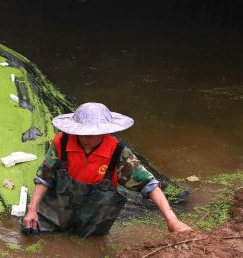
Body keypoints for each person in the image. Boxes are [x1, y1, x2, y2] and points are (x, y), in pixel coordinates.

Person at [23, 102, 192, 238]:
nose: (85, 138)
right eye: (82, 133)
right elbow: (45, 177)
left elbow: (149, 185)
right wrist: (32, 209)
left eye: (92, 134)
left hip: (92, 224)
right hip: (54, 213)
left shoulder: (118, 153)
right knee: (29, 235)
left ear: (104, 132)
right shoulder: (63, 142)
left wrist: (172, 220)